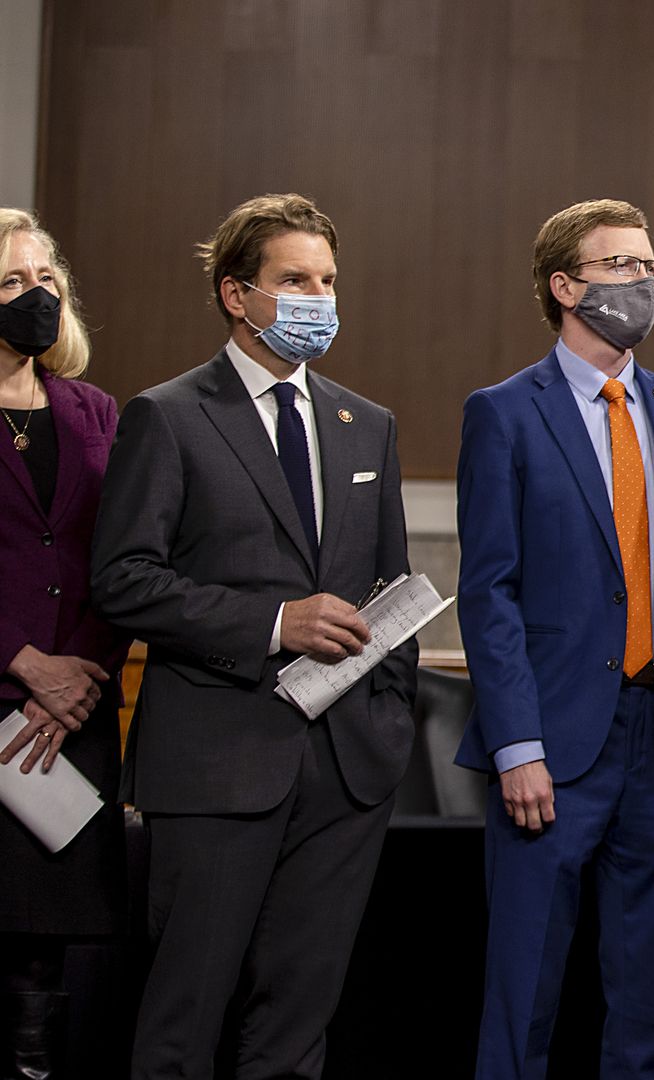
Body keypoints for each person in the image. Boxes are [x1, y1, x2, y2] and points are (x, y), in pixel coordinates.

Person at [91, 193, 417, 1079]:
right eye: (295, 281)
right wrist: (276, 624)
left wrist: (389, 722)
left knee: (296, 1029)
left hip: (346, 769)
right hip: (216, 764)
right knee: (181, 1021)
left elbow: (391, 584)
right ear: (238, 295)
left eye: (328, 280)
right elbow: (122, 581)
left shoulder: (366, 423)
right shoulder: (168, 416)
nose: (319, 297)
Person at [457, 198, 654, 1080]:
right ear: (564, 285)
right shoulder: (504, 412)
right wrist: (515, 745)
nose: (641, 283)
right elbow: (490, 593)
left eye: (649, 266)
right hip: (552, 744)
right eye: (620, 266)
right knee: (525, 997)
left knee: (648, 1000)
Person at [0, 209, 129, 1080]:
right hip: (3, 694)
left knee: (46, 943)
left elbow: (123, 554)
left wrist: (80, 673)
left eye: (46, 280)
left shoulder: (96, 410)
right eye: (12, 282)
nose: (34, 296)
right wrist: (22, 663)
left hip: (74, 705)